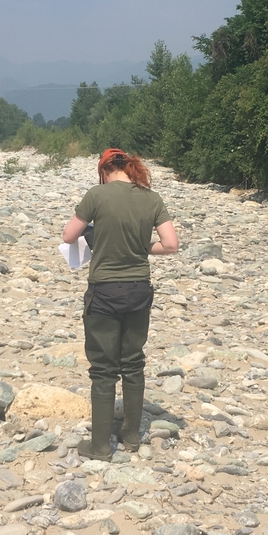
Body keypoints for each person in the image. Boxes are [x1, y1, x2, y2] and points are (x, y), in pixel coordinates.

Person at [62, 148, 179, 460]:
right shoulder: (151, 198)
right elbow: (171, 245)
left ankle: (100, 446)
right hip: (139, 289)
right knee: (133, 362)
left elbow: (69, 236)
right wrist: (143, 246)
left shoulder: (96, 195)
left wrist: (96, 235)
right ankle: (131, 436)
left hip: (104, 291)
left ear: (104, 171)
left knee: (103, 368)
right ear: (128, 167)